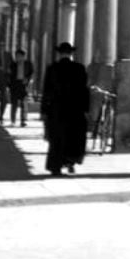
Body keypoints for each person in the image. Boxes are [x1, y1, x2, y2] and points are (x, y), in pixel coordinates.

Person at [41, 42, 89, 176]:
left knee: (56, 138)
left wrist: (44, 110)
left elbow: (47, 91)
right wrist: (86, 109)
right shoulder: (79, 68)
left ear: (59, 53)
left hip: (57, 109)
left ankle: (55, 166)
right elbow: (84, 91)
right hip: (75, 109)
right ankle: (70, 161)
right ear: (71, 53)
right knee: (73, 137)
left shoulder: (52, 68)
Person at [9, 49, 34, 126]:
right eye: (16, 56)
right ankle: (13, 120)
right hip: (15, 85)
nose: (18, 58)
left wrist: (27, 79)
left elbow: (31, 73)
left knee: (24, 103)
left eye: (19, 56)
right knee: (14, 104)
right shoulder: (12, 65)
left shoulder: (28, 64)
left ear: (23, 57)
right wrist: (9, 85)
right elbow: (9, 75)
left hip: (23, 85)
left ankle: (23, 121)